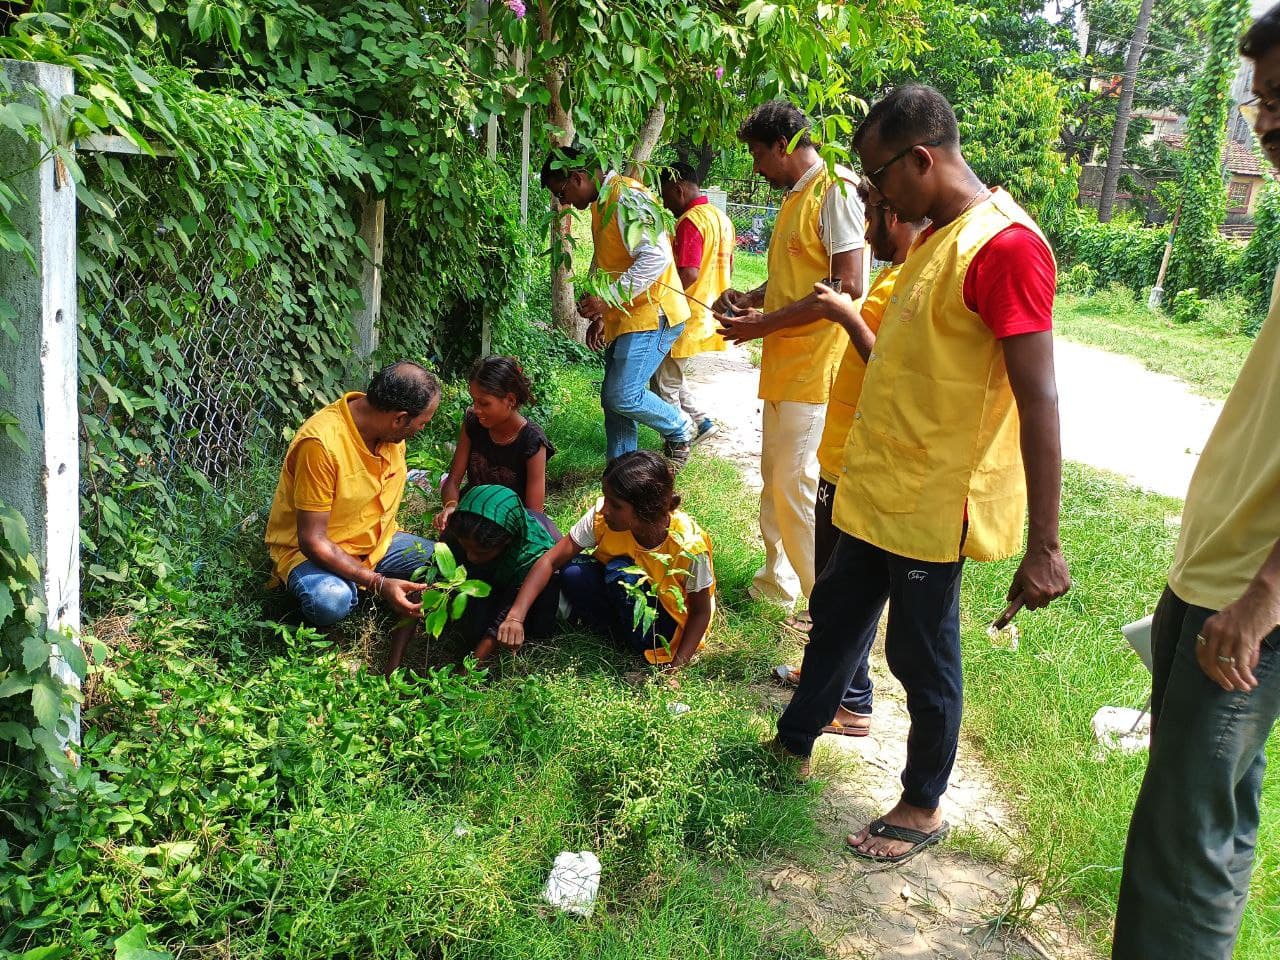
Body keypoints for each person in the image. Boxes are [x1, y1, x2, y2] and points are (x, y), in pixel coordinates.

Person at [772, 85, 1071, 864]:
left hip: (935, 502)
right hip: (879, 486)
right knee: (834, 616)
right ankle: (793, 742)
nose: (876, 196)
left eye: (880, 178)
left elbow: (1039, 400)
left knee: (921, 654)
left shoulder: (1005, 246)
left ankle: (922, 803)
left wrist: (1047, 544)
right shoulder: (939, 237)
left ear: (922, 160)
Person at [1111, 9, 1280, 956]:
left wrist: (1263, 596)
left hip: (1255, 595)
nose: (1266, 123)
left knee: (1187, 849)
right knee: (1193, 827)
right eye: (1260, 102)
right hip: (1215, 570)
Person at [773, 182, 927, 740]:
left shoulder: (911, 279)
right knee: (838, 592)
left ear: (897, 210)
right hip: (842, 453)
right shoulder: (895, 274)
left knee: (845, 597)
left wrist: (842, 313)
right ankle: (834, 687)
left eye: (871, 217)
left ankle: (851, 700)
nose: (863, 232)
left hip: (856, 463)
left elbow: (888, 366)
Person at [712, 100, 866, 624]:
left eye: (758, 153)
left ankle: (825, 606)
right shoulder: (794, 197)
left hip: (817, 369)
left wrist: (762, 325)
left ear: (783, 145)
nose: (755, 166)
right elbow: (791, 284)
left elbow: (848, 285)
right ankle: (776, 584)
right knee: (773, 477)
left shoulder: (835, 188)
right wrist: (750, 299)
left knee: (796, 482)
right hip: (783, 365)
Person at [264, 360, 442, 674]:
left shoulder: (389, 435)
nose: (422, 429)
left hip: (377, 543)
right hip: (312, 554)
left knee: (439, 561)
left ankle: (395, 656)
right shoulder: (321, 445)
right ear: (399, 419)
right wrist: (379, 583)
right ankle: (323, 610)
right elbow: (313, 540)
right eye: (423, 423)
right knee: (330, 600)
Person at [539, 147, 695, 468]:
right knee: (614, 401)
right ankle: (621, 470)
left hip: (654, 314)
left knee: (622, 394)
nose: (564, 203)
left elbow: (656, 257)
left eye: (562, 192)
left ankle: (681, 428)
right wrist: (601, 313)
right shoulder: (603, 202)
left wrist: (607, 298)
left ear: (579, 177)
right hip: (628, 316)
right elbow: (615, 261)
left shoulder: (626, 197)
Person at [496, 450, 715, 669]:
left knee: (620, 572)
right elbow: (550, 561)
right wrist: (516, 615)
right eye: (606, 498)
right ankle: (618, 631)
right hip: (622, 594)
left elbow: (700, 613)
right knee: (573, 571)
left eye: (616, 505)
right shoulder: (601, 517)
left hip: (664, 627)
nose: (605, 509)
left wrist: (675, 669)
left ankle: (637, 642)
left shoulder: (689, 548)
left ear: (645, 509)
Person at [653, 162, 736, 443]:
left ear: (678, 189)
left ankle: (679, 442)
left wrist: (661, 298)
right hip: (707, 310)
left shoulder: (691, 220)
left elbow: (689, 272)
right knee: (671, 376)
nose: (666, 204)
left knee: (664, 385)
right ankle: (701, 422)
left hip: (684, 313)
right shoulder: (720, 218)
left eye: (665, 196)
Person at [436, 355, 556, 534]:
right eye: (474, 400)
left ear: (510, 400)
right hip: (471, 515)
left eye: (484, 403)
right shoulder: (473, 422)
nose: (476, 409)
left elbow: (534, 514)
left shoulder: (532, 441)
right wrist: (451, 506)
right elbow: (453, 481)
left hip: (510, 527)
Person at [442, 485, 560, 664]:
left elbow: (500, 622)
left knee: (528, 626)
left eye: (480, 552)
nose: (470, 557)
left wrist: (465, 677)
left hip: (532, 577)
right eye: (466, 548)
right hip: (496, 569)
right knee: (470, 626)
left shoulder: (530, 556)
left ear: (507, 541)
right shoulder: (459, 528)